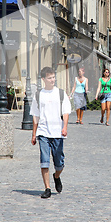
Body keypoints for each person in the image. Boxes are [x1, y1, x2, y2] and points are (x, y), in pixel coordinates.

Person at [31, 66, 71, 199]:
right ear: (43, 79)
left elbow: (66, 112)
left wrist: (64, 127)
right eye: (49, 78)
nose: (52, 80)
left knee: (59, 163)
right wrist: (34, 134)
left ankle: (56, 176)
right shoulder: (38, 95)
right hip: (43, 132)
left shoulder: (60, 93)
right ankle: (47, 188)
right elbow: (35, 115)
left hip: (58, 132)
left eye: (53, 77)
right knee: (44, 161)